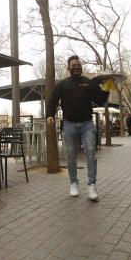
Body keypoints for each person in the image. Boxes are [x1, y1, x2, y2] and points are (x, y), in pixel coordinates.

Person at [46, 55, 111, 200]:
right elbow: (52, 100)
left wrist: (107, 88)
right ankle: (73, 183)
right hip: (69, 125)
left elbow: (100, 99)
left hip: (87, 124)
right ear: (68, 68)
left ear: (81, 67)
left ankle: (91, 185)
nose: (76, 67)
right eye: (73, 65)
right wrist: (50, 114)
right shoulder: (62, 85)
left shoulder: (88, 83)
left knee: (91, 153)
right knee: (70, 155)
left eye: (78, 65)